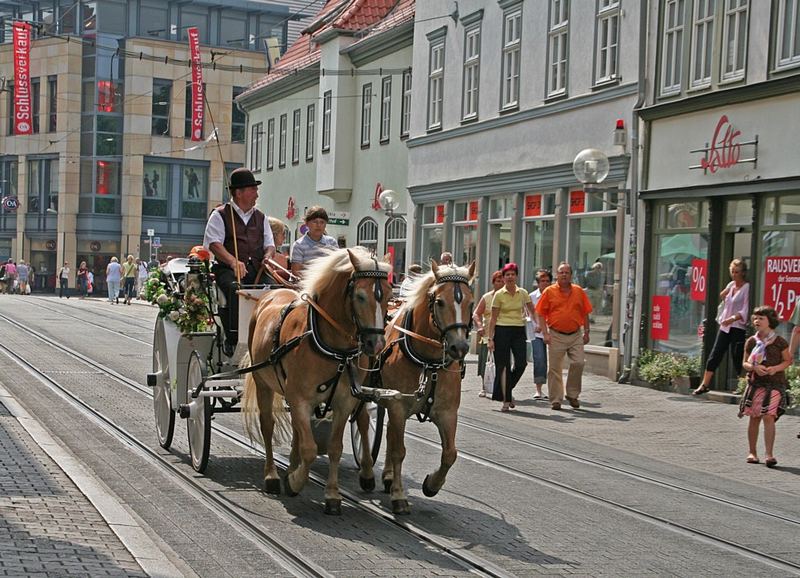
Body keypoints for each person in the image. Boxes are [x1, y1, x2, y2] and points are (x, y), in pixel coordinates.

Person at [203, 167, 275, 355]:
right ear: (239, 192)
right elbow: (214, 244)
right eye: (253, 190)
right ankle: (234, 338)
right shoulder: (219, 215)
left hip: (257, 268)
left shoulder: (261, 217)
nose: (257, 194)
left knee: (275, 290)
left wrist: (268, 257)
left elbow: (270, 244)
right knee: (236, 288)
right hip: (227, 269)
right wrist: (233, 261)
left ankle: (271, 336)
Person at [535, 261, 593, 410]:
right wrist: (545, 333)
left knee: (579, 362)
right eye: (561, 272)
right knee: (554, 368)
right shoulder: (549, 291)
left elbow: (585, 312)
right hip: (556, 334)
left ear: (571, 275)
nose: (564, 275)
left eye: (567, 272)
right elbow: (541, 313)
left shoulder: (579, 291)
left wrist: (586, 332)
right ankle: (556, 399)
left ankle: (572, 394)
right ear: (557, 275)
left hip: (575, 334)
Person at [740, 306, 791, 468]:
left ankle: (769, 454)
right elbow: (745, 362)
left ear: (770, 321)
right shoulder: (752, 341)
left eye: (761, 318)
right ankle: (752, 452)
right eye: (755, 318)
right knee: (754, 417)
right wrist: (754, 367)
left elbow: (788, 361)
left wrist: (774, 368)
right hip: (756, 384)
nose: (757, 321)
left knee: (769, 416)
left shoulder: (780, 341)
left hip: (775, 384)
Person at [694, 259, 749, 395]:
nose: (734, 275)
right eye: (732, 272)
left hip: (737, 326)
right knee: (715, 354)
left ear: (743, 273)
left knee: (737, 356)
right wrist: (725, 294)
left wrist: (733, 318)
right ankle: (705, 384)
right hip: (725, 326)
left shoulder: (746, 287)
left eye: (737, 272)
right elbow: (723, 297)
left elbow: (746, 308)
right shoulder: (731, 285)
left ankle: (743, 386)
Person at [487, 263, 535, 412]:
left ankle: (505, 389)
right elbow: (493, 318)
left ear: (516, 276)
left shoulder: (523, 293)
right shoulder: (499, 295)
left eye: (512, 274)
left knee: (521, 363)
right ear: (504, 277)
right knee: (504, 366)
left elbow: (532, 310)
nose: (510, 277)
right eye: (507, 275)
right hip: (502, 330)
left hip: (519, 330)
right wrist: (490, 338)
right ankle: (506, 400)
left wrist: (537, 323)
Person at [472, 270, 504, 397]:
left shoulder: (508, 297)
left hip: (503, 333)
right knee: (485, 361)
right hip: (487, 335)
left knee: (502, 362)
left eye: (502, 281)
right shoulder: (487, 297)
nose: (501, 283)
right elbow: (476, 313)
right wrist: (479, 326)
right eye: (498, 281)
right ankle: (484, 386)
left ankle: (502, 388)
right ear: (493, 283)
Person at [290, 205, 338, 278]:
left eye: (322, 222)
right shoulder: (299, 245)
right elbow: (296, 273)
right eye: (315, 222)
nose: (318, 225)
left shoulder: (332, 242)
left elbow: (336, 266)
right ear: (306, 223)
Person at [530, 269, 553, 401]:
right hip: (537, 333)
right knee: (539, 360)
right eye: (542, 281)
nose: (545, 283)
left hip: (553, 332)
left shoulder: (555, 295)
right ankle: (538, 389)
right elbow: (529, 313)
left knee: (555, 362)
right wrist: (536, 325)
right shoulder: (532, 296)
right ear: (538, 283)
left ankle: (555, 390)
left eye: (547, 281)